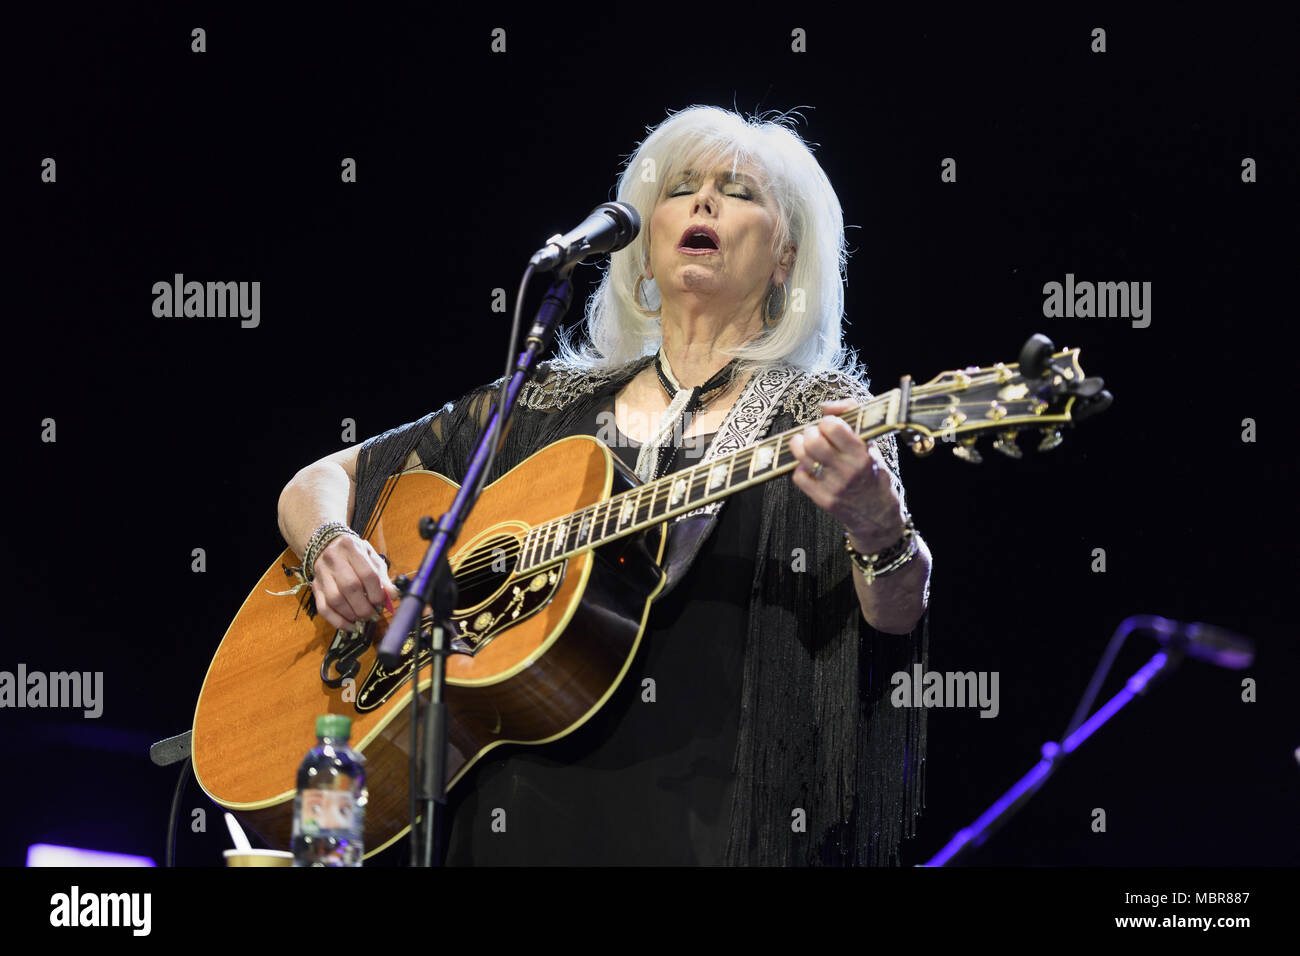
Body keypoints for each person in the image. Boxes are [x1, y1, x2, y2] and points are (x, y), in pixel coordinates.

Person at [276, 105, 933, 865]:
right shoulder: (542, 402)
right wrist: (331, 544)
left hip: (704, 819)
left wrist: (879, 526)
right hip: (506, 814)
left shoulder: (821, 417)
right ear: (644, 251)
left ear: (784, 257)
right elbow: (317, 480)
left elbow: (897, 613)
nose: (705, 202)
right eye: (682, 187)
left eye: (739, 191)